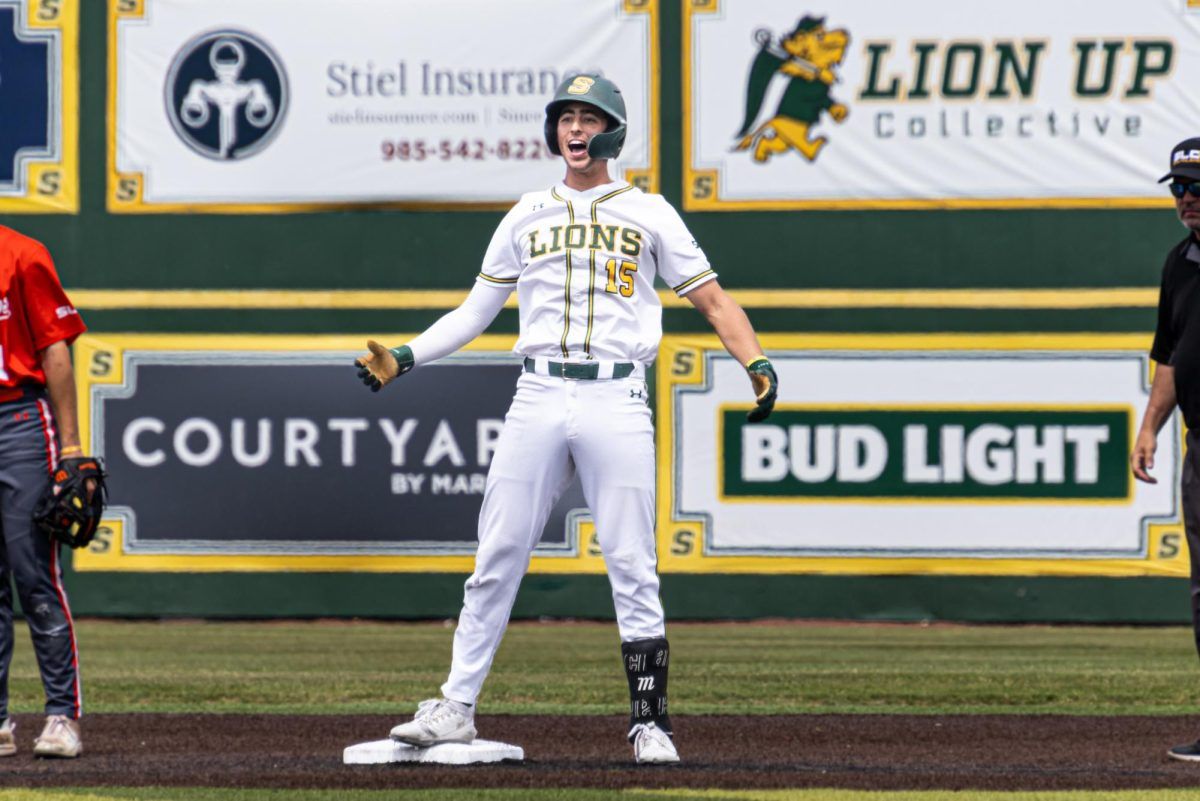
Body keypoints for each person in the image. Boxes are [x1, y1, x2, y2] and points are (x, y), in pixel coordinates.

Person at [355, 73, 778, 764]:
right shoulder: (527, 213)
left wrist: (754, 359)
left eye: (589, 117)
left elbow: (714, 301)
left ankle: (650, 723)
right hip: (539, 392)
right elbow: (475, 312)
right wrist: (406, 355)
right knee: (497, 553)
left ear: (612, 131)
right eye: (565, 118)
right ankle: (455, 706)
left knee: (632, 562)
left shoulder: (650, 212)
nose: (575, 129)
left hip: (616, 394)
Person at [0, 225, 89, 758]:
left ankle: (61, 716)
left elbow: (55, 349)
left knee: (35, 576)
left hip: (19, 421)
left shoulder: (22, 254)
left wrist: (71, 446)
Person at [1132, 136, 1200, 763]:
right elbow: (1171, 356)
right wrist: (1151, 425)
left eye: (1197, 187)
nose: (1187, 199)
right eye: (1179, 188)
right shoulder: (1180, 261)